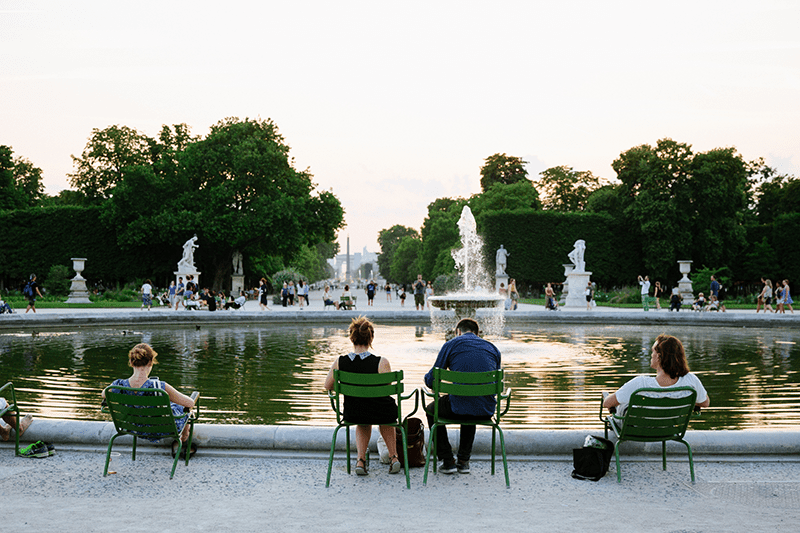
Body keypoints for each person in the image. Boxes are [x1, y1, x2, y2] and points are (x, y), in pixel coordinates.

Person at [323, 316, 402, 476]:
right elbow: (386, 390)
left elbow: (327, 386)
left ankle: (360, 460)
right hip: (381, 412)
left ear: (351, 338)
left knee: (363, 416)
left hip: (354, 412)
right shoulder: (382, 362)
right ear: (371, 338)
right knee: (385, 414)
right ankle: (394, 458)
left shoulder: (340, 362)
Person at [424, 318, 502, 474]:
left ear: (458, 332)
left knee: (432, 410)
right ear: (477, 333)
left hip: (458, 406)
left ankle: (447, 460)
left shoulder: (452, 344)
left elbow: (431, 380)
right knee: (471, 398)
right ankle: (463, 461)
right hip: (485, 409)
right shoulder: (493, 349)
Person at [102, 343, 197, 456]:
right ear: (150, 362)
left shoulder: (117, 385)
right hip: (158, 431)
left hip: (131, 428)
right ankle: (182, 439)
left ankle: (182, 440)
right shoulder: (159, 387)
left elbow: (104, 394)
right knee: (184, 409)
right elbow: (190, 403)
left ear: (131, 363)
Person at [603, 334, 710, 418]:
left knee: (621, 404)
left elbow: (607, 403)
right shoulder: (691, 381)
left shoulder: (640, 384)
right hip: (669, 430)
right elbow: (705, 402)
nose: (651, 355)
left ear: (659, 357)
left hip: (637, 431)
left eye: (652, 351)